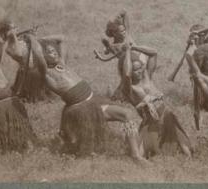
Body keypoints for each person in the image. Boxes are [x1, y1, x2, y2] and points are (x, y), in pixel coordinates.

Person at [25, 33, 146, 162]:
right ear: (43, 57)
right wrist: (32, 39)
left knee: (127, 114)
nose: (54, 53)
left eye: (54, 51)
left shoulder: (62, 64)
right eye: (49, 52)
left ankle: (136, 155)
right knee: (81, 149)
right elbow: (38, 53)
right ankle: (136, 156)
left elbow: (62, 38)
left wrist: (41, 39)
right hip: (80, 110)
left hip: (93, 103)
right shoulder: (46, 72)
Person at [122, 43, 192, 158]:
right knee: (140, 154)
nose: (139, 71)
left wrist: (134, 47)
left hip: (166, 115)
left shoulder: (147, 77)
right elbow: (126, 73)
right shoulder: (129, 88)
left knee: (186, 149)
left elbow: (153, 53)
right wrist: (128, 52)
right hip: (150, 122)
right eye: (135, 70)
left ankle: (188, 162)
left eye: (140, 68)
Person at [0, 19, 55, 103]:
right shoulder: (9, 47)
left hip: (38, 67)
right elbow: (19, 54)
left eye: (16, 27)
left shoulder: (21, 39)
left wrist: (32, 34)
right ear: (6, 32)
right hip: (29, 73)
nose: (16, 29)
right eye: (13, 28)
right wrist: (14, 36)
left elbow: (35, 47)